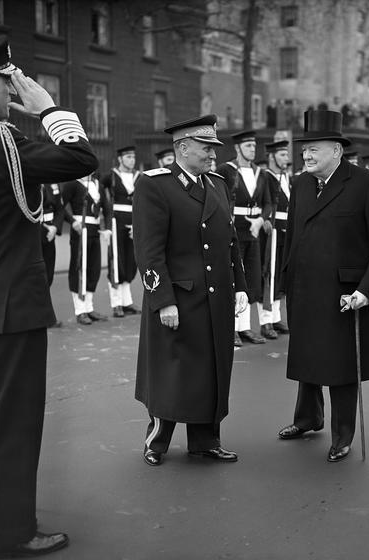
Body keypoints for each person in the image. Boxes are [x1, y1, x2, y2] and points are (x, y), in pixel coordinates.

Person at [0, 35, 97, 557]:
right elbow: (81, 158)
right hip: (11, 310)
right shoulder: (1, 144)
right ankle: (12, 533)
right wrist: (49, 107)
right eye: (9, 81)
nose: (16, 90)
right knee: (12, 426)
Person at [277, 110, 369, 462]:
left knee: (342, 365)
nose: (307, 156)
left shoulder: (366, 185)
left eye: (314, 149)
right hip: (305, 288)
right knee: (308, 356)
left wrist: (367, 290)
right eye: (304, 150)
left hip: (345, 294)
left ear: (337, 151)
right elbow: (293, 236)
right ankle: (308, 418)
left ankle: (342, 435)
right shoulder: (300, 184)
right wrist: (286, 279)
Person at [133, 114, 248, 466]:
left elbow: (230, 242)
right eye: (205, 148)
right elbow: (149, 250)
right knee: (173, 371)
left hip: (215, 298)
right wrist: (162, 299)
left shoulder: (216, 184)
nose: (213, 155)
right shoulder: (155, 185)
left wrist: (240, 286)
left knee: (211, 369)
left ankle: (205, 441)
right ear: (182, 148)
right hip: (178, 298)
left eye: (213, 148)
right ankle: (157, 443)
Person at [217, 130, 273, 346]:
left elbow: (268, 203)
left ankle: (245, 327)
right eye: (248, 146)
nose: (253, 149)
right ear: (238, 148)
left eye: (254, 146)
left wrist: (261, 220)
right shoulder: (226, 170)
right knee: (232, 278)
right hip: (235, 229)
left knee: (250, 278)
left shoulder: (261, 173)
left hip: (254, 231)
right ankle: (231, 328)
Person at [62, 173, 111, 325]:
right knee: (78, 268)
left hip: (95, 231)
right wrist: (72, 222)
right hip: (79, 231)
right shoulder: (72, 183)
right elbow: (60, 206)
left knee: (93, 269)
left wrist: (107, 228)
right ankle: (80, 310)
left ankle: (89, 307)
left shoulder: (98, 185)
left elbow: (107, 208)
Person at [100, 146, 141, 318]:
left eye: (133, 157)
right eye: (128, 157)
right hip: (116, 222)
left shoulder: (139, 177)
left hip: (134, 222)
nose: (132, 160)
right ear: (120, 159)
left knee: (131, 261)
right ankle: (116, 303)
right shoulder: (110, 176)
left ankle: (127, 302)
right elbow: (99, 194)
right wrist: (105, 225)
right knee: (116, 262)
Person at [258, 139, 291, 339]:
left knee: (280, 274)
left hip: (285, 230)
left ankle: (276, 317)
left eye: (286, 155)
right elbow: (265, 203)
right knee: (269, 273)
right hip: (272, 231)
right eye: (281, 155)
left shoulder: (284, 177)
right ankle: (265, 321)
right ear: (271, 157)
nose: (286, 158)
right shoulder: (266, 177)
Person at [41, 182, 65, 327]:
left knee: (48, 276)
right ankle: (38, 316)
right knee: (35, 277)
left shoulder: (52, 184)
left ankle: (45, 315)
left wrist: (55, 227)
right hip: (34, 233)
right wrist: (44, 228)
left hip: (50, 233)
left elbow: (60, 209)